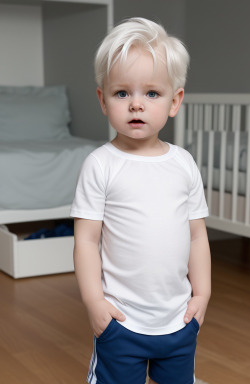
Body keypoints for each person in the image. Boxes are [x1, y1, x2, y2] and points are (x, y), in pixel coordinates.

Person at [70, 17, 211, 384]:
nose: (136, 105)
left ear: (174, 101)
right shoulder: (100, 165)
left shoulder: (183, 164)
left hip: (179, 321)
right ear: (103, 100)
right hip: (121, 323)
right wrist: (94, 302)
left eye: (151, 93)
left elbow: (197, 235)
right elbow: (86, 240)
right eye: (122, 93)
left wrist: (203, 294)